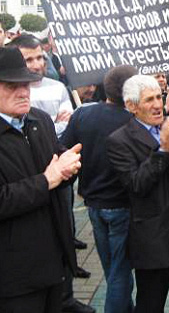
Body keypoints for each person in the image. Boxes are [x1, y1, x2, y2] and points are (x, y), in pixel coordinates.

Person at [107, 75, 169, 313]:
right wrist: (162, 151)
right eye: (148, 100)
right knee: (151, 303)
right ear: (131, 106)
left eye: (159, 97)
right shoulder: (119, 141)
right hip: (154, 241)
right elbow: (137, 185)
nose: (157, 105)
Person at [0, 46, 82, 312]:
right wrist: (48, 180)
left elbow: (58, 167)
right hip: (14, 277)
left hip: (53, 261)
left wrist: (70, 168)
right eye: (11, 86)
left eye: (25, 84)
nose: (23, 92)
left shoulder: (40, 120)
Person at [61, 66, 138, 313]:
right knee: (119, 270)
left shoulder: (83, 115)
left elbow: (64, 150)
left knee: (112, 267)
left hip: (94, 204)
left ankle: (125, 307)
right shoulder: (133, 122)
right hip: (121, 207)